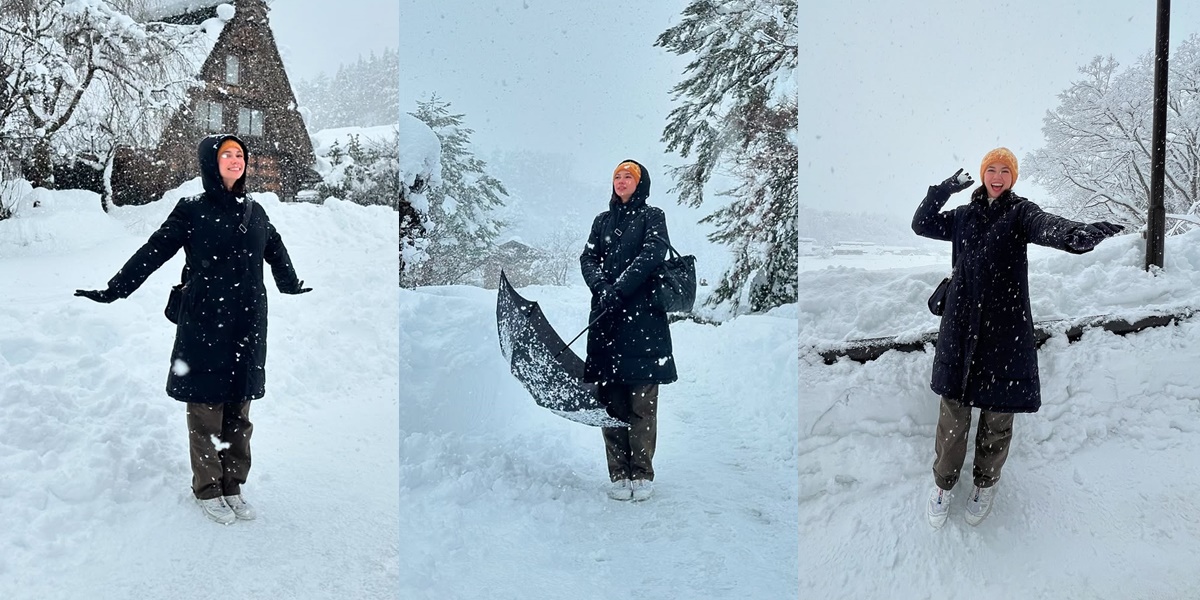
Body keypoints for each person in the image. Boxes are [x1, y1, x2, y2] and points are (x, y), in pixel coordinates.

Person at [75, 134, 311, 524]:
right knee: (205, 407)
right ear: (210, 163)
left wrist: (289, 282)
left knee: (240, 405)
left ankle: (233, 483)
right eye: (226, 155)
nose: (236, 160)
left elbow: (276, 248)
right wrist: (115, 289)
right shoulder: (191, 210)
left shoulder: (256, 210)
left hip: (248, 320)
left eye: (240, 155)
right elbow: (153, 251)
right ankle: (207, 487)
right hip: (205, 319)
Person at [912, 147, 1123, 528]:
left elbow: (1047, 226)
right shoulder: (963, 216)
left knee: (997, 417)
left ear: (1013, 177)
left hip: (1004, 333)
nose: (997, 176)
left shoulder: (1020, 213)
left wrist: (1077, 234)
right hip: (960, 329)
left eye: (1004, 170)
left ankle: (984, 484)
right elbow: (921, 224)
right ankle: (943, 484)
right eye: (990, 169)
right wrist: (944, 189)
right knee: (953, 417)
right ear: (981, 175)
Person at [580, 159, 678, 502]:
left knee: (642, 404)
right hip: (606, 321)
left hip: (643, 322)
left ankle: (642, 473)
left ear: (640, 184)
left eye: (628, 177)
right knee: (611, 404)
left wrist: (620, 288)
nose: (622, 181)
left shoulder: (653, 217)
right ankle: (619, 472)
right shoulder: (602, 221)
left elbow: (653, 253)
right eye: (617, 176)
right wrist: (602, 287)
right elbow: (587, 259)